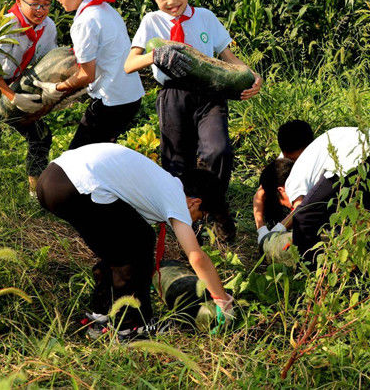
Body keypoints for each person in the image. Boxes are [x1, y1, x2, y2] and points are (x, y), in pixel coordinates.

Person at [36, 143, 235, 341]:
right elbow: (196, 256)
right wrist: (222, 300)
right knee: (139, 242)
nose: (194, 222)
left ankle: (101, 316)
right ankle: (132, 327)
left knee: (118, 249)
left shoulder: (157, 184)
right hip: (77, 185)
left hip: (50, 180)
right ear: (195, 202)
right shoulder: (175, 195)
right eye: (199, 217)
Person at [124, 0, 262, 240]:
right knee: (176, 161)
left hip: (210, 91)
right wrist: (155, 56)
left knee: (218, 150)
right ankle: (183, 216)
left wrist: (251, 76)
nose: (171, 1)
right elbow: (129, 64)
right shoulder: (151, 21)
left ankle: (214, 209)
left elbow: (228, 59)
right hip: (172, 94)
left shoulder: (206, 18)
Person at [37, 0, 144, 150]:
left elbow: (87, 74)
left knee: (75, 158)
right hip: (130, 96)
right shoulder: (105, 8)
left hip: (112, 101)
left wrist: (57, 89)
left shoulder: (86, 21)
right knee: (101, 153)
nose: (57, 0)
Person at [259, 127, 370, 267]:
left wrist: (276, 231)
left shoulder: (293, 178)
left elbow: (299, 210)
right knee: (359, 212)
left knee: (304, 219)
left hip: (358, 153)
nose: (289, 206)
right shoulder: (305, 162)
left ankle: (307, 272)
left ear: (281, 190)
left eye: (284, 203)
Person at [0, 0, 58, 195]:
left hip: (14, 83)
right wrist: (12, 96)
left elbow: (46, 61)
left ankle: (35, 193)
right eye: (34, 4)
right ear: (19, 1)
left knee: (41, 135)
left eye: (47, 4)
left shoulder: (48, 27)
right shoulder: (8, 25)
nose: (41, 10)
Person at [253, 120, 314, 238]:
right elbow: (260, 193)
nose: (298, 162)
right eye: (292, 159)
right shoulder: (286, 157)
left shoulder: (317, 165)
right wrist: (261, 228)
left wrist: (279, 229)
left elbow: (302, 207)